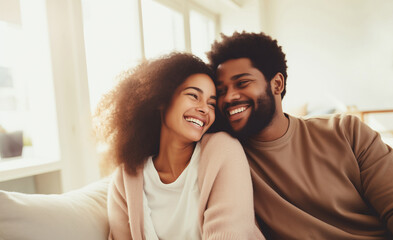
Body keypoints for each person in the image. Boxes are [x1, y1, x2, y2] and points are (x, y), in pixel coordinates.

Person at [207, 31, 393, 239]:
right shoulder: (228, 159)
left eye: (242, 83)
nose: (229, 97)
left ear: (277, 84)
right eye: (221, 90)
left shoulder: (347, 131)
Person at [95, 52, 264, 240]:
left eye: (211, 104)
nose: (204, 109)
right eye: (193, 96)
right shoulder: (126, 178)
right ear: (161, 99)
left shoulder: (223, 150)